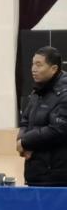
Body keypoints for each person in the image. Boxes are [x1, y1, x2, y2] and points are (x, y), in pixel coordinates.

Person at [17, 46, 67, 186]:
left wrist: (26, 142)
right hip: (36, 173)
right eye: (33, 64)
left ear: (54, 68)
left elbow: (58, 129)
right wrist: (21, 141)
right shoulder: (37, 92)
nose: (33, 69)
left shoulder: (64, 94)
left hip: (56, 177)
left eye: (39, 65)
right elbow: (25, 121)